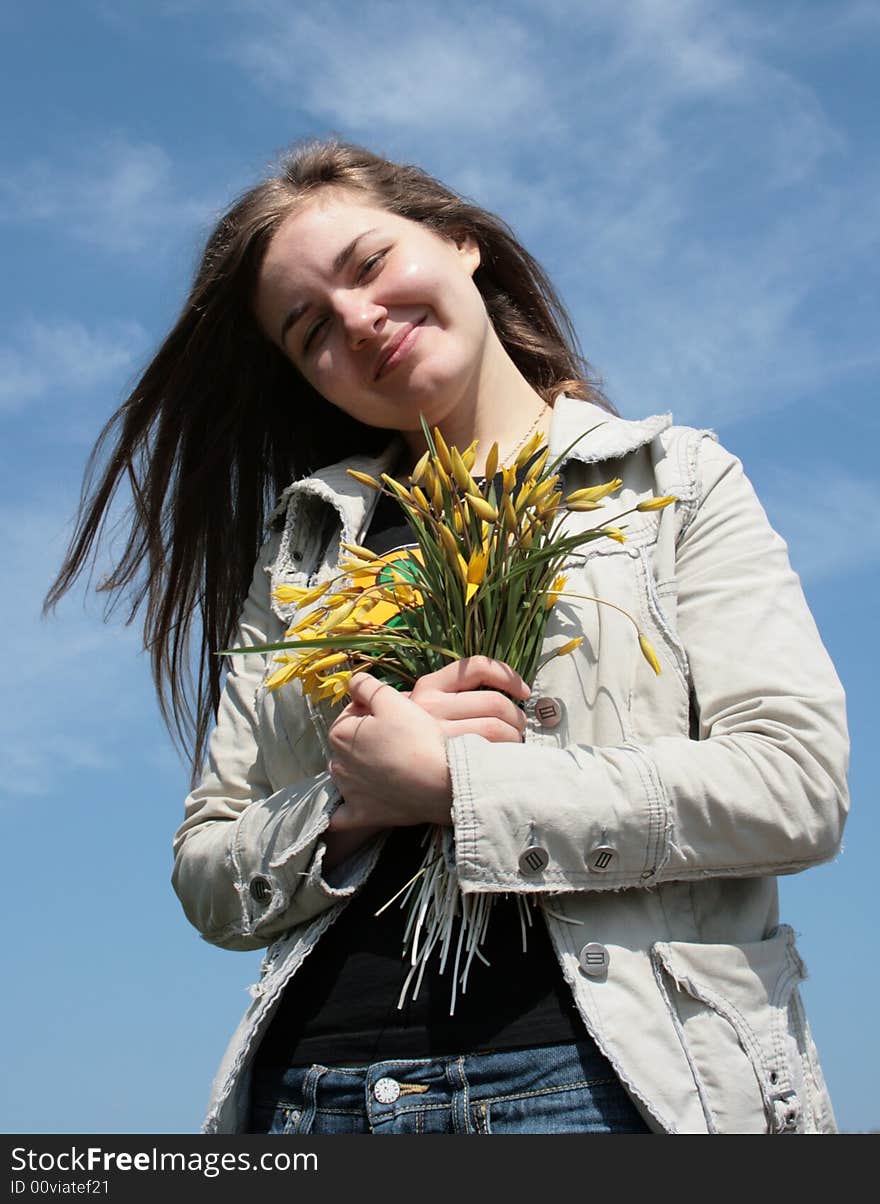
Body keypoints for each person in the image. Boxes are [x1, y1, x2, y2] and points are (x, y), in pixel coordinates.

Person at [47, 138, 849, 1135]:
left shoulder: (671, 483)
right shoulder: (303, 550)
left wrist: (461, 788)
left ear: (461, 241)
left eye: (368, 265)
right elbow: (208, 869)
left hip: (590, 1090)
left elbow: (796, 786)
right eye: (310, 330)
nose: (356, 319)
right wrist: (348, 801)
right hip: (314, 1100)